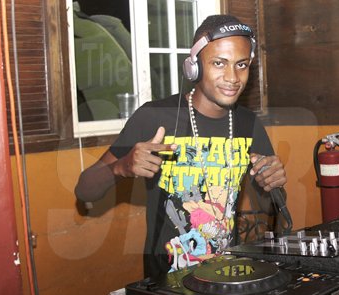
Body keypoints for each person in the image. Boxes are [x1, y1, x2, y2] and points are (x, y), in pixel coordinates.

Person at [75, 14, 287, 277]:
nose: (232, 77)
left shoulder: (249, 125)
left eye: (241, 64)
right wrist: (122, 166)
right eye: (219, 63)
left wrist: (272, 185)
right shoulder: (153, 117)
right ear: (194, 67)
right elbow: (85, 191)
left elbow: (269, 208)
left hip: (226, 275)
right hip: (166, 282)